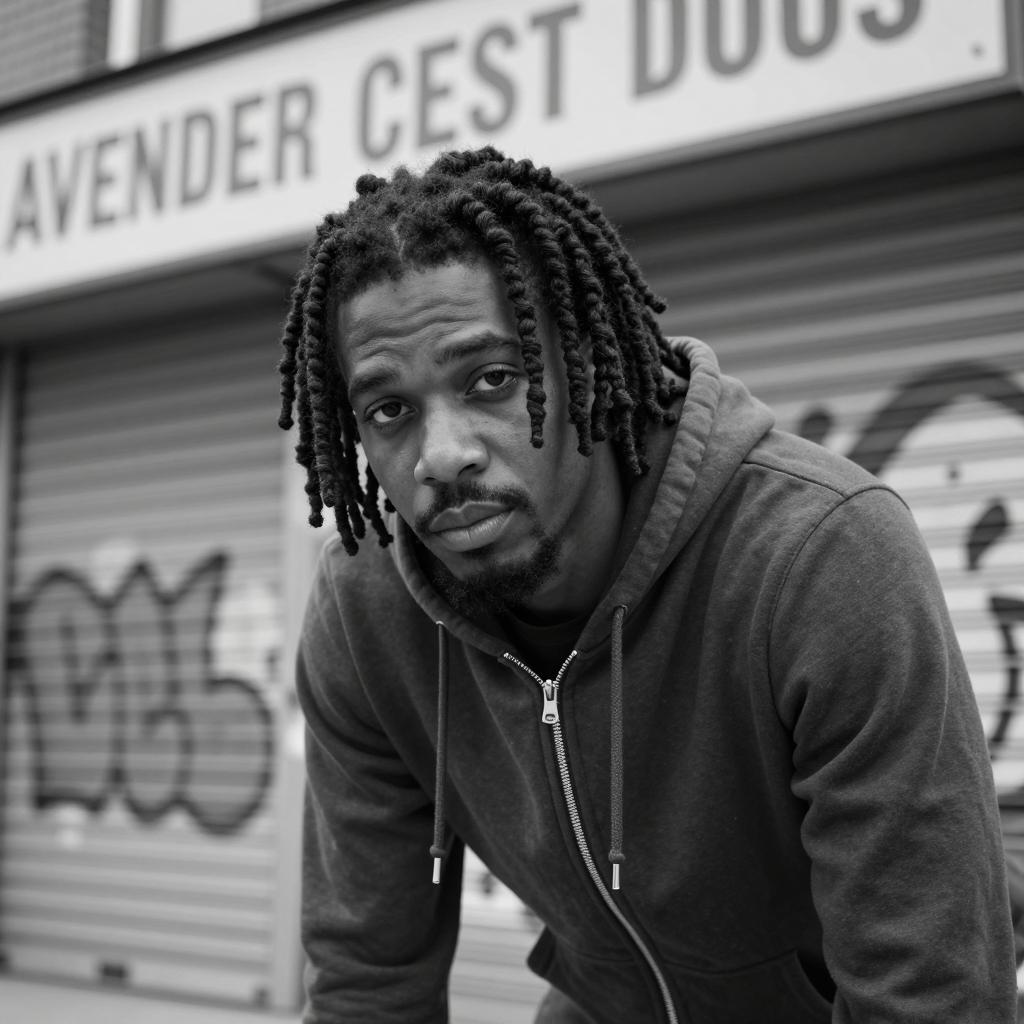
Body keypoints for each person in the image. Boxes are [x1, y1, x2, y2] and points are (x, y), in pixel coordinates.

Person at [277, 147, 1017, 1023]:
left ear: (591, 364)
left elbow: (929, 998)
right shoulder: (366, 614)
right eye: (390, 410)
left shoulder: (821, 555)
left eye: (493, 379)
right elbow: (368, 982)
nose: (442, 456)